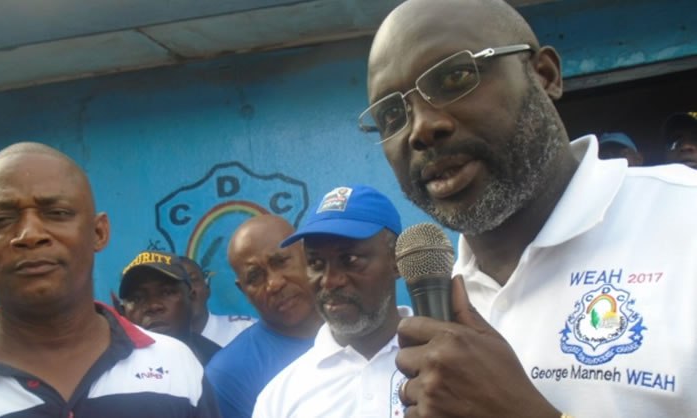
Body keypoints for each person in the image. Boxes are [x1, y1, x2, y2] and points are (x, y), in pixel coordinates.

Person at [361, 0, 697, 416]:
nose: (421, 129)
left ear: (544, 75)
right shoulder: (445, 299)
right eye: (391, 114)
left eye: (455, 77)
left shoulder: (685, 220)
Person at [0, 142, 220, 417]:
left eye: (57, 213)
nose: (30, 234)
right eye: (0, 219)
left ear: (98, 232)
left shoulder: (175, 366)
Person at [253, 185, 409, 417]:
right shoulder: (279, 398)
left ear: (397, 261)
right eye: (316, 263)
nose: (329, 281)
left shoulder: (446, 361)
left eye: (349, 259)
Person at [205, 214, 323, 418]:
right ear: (243, 290)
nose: (274, 284)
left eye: (280, 262)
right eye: (255, 277)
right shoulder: (228, 374)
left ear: (307, 256)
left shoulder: (364, 328)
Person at [119, 250, 221, 365]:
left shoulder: (221, 364)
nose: (153, 306)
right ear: (123, 313)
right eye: (137, 298)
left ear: (191, 298)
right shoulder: (112, 369)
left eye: (167, 292)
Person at [178, 256, 256, 347]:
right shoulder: (163, 345)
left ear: (207, 288)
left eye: (193, 280)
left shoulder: (247, 330)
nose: (188, 290)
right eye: (176, 285)